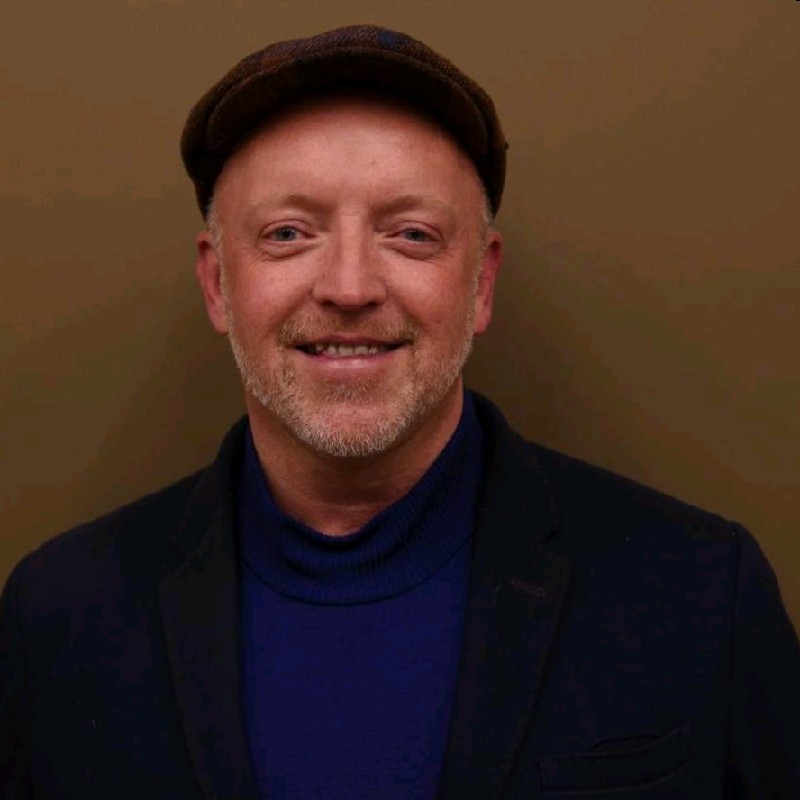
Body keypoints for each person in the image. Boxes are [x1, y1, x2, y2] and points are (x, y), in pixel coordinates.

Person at [1, 24, 798, 800]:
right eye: (288, 233)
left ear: (481, 284)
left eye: (411, 234)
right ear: (217, 284)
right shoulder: (58, 618)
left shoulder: (700, 592)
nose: (349, 287)